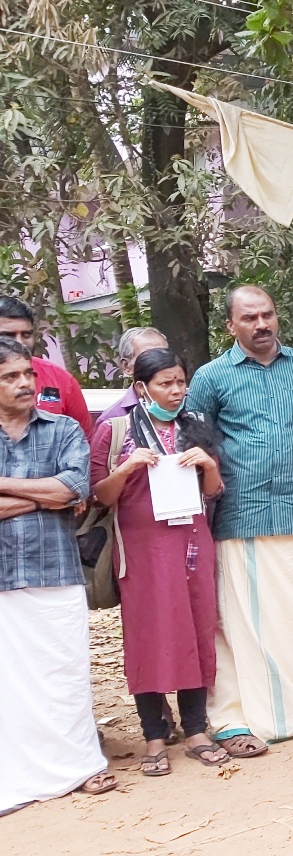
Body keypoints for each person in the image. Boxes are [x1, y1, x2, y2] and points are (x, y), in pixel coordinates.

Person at [186, 285, 293, 757]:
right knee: (239, 620)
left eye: (268, 315)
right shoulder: (211, 377)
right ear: (230, 326)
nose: (261, 325)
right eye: (250, 318)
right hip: (237, 512)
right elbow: (195, 445)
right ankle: (236, 717)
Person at [89, 348, 230, 776]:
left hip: (191, 544)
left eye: (180, 382)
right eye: (165, 383)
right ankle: (153, 734)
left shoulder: (195, 425)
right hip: (142, 550)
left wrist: (207, 465)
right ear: (141, 388)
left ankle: (195, 730)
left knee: (195, 628)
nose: (175, 391)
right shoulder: (114, 430)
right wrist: (128, 466)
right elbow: (99, 495)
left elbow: (214, 491)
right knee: (147, 637)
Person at [0, 337, 113, 814]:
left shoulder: (63, 428)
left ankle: (78, 766)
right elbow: (59, 493)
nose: (25, 383)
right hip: (5, 576)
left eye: (27, 374)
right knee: (10, 684)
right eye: (10, 377)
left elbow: (74, 487)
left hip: (56, 570)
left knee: (64, 674)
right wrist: (46, 496)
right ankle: (17, 775)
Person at [0, 296, 91, 436]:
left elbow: (85, 439)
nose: (20, 342)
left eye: (26, 335)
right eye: (8, 335)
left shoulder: (60, 379)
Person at [96, 326, 170, 428]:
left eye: (165, 355)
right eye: (148, 357)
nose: (160, 363)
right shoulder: (112, 420)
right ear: (127, 366)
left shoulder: (188, 408)